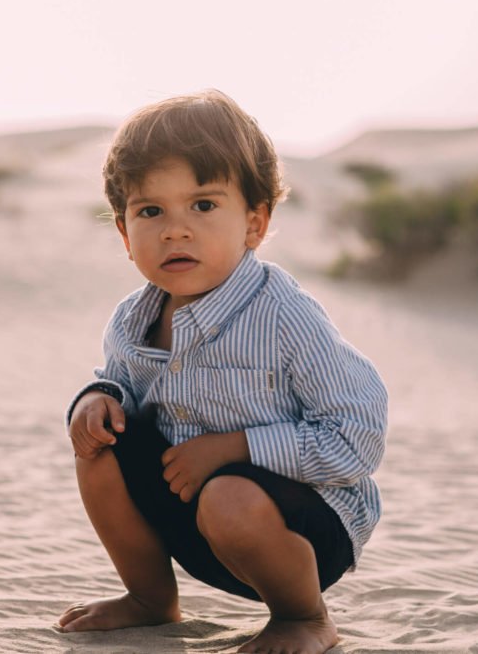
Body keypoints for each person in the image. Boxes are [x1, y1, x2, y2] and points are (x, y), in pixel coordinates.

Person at [58, 89, 387, 654]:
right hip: (195, 520)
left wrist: (235, 446)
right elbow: (121, 386)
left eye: (203, 206)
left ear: (255, 223)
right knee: (99, 449)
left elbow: (358, 438)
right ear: (123, 231)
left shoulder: (283, 315)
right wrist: (97, 398)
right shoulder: (134, 318)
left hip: (300, 530)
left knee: (229, 495)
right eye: (150, 211)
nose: (175, 230)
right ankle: (152, 600)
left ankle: (306, 619)